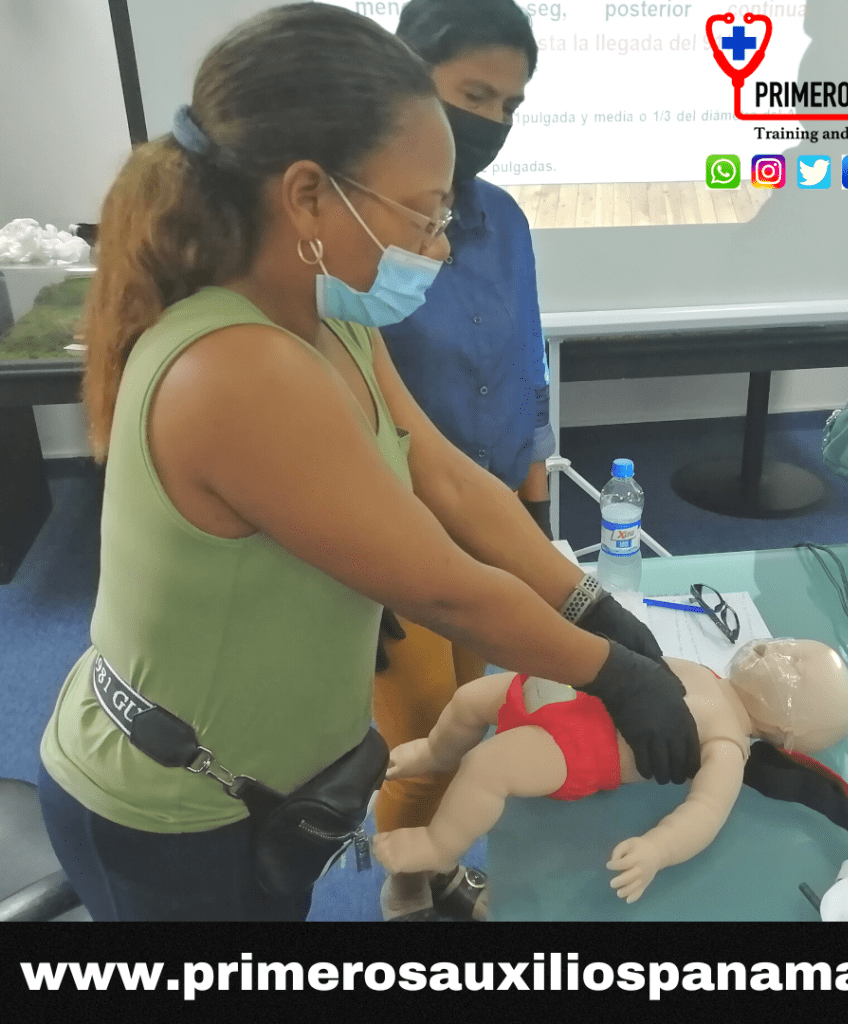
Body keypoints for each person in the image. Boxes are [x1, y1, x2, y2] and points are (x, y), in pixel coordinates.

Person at [35, 4, 700, 922]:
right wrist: (614, 673)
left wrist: (587, 602)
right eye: (423, 213)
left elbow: (448, 478)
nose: (440, 243)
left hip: (256, 780)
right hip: (173, 812)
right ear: (309, 197)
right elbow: (446, 591)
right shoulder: (238, 368)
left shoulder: (328, 315)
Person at [371, 0, 556, 921]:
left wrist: (533, 504)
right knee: (421, 741)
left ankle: (438, 865)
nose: (492, 122)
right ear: (408, 77)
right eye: (475, 95)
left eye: (510, 106)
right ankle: (406, 884)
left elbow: (528, 360)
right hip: (390, 538)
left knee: (476, 712)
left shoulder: (505, 221)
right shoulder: (363, 229)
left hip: (491, 524)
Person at [373, 639, 848, 905]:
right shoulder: (709, 674)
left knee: (486, 766)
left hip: (575, 749)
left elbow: (706, 811)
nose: (775, 650)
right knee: (468, 700)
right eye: (788, 643)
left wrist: (658, 849)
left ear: (788, 730)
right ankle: (436, 751)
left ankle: (438, 846)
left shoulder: (728, 745)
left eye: (794, 667)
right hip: (562, 694)